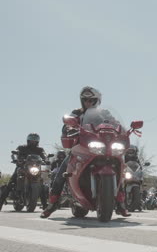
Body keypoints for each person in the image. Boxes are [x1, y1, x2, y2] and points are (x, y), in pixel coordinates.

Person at [41, 86, 130, 218]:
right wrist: (69, 128)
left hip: (104, 146)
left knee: (121, 169)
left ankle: (121, 203)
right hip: (82, 147)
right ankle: (52, 204)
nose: (88, 102)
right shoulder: (76, 113)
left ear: (97, 100)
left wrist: (124, 132)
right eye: (85, 100)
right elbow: (67, 124)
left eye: (91, 100)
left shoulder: (105, 113)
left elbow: (116, 124)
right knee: (62, 171)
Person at [0, 133, 47, 211]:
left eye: (35, 140)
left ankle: (45, 206)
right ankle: (0, 203)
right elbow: (15, 152)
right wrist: (15, 158)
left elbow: (44, 155)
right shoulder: (22, 147)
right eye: (31, 140)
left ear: (37, 142)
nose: (33, 142)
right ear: (28, 140)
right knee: (10, 184)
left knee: (42, 185)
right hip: (21, 167)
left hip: (34, 168)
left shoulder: (40, 149)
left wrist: (46, 159)